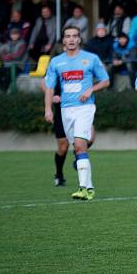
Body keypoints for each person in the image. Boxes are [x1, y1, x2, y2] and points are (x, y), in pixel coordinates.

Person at [44, 25, 110, 200]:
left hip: (85, 107)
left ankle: (82, 189)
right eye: (68, 36)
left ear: (79, 39)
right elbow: (49, 88)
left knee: (80, 144)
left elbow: (105, 81)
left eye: (75, 36)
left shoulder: (91, 58)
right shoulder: (56, 62)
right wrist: (48, 109)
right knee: (76, 148)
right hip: (66, 109)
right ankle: (89, 188)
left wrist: (91, 90)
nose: (71, 39)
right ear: (64, 40)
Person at [0, 27, 28, 92]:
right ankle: (2, 87)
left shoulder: (22, 44)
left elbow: (18, 56)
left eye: (16, 34)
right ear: (10, 35)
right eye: (12, 34)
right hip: (7, 65)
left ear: (19, 35)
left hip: (18, 66)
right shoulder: (8, 43)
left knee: (9, 73)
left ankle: (4, 90)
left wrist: (7, 56)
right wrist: (6, 56)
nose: (14, 36)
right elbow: (0, 52)